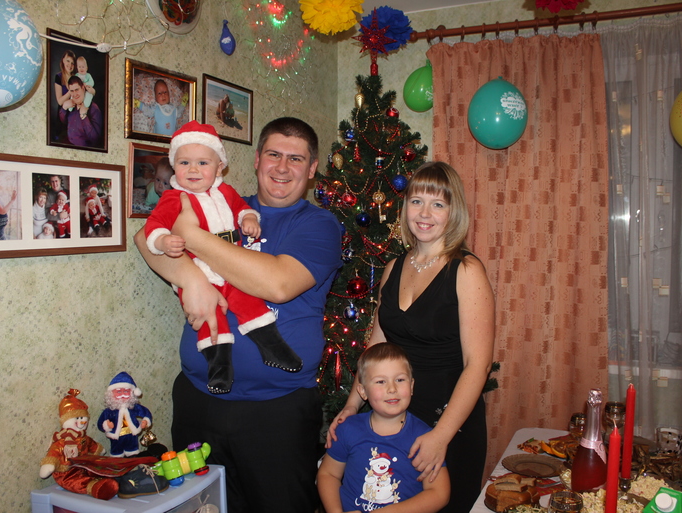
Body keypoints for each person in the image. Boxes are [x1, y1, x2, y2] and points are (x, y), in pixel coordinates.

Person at [133, 117, 342, 513]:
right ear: (257, 159)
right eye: (274, 155)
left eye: (296, 159)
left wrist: (193, 236)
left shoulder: (319, 225)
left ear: (312, 169)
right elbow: (145, 239)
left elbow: (277, 284)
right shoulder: (220, 202)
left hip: (276, 409)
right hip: (198, 401)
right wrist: (192, 279)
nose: (282, 168)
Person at [328, 162, 496, 513]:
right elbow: (376, 349)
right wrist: (352, 405)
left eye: (438, 204)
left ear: (454, 212)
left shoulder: (466, 270)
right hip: (394, 418)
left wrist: (440, 436)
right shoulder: (394, 267)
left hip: (448, 423)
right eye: (417, 201)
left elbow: (477, 366)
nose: (425, 213)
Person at [143, 120, 304, 394]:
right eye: (184, 163)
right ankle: (219, 369)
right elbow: (153, 226)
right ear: (174, 166)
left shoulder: (225, 192)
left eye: (203, 163)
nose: (193, 169)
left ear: (219, 168)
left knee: (251, 303)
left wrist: (249, 218)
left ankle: (273, 348)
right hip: (199, 268)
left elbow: (241, 208)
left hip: (231, 267)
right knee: (210, 318)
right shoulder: (173, 198)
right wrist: (162, 241)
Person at [319, 343, 450, 513]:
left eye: (400, 380)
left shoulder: (424, 438)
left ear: (411, 386)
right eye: (380, 381)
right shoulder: (348, 429)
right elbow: (328, 474)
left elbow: (439, 493)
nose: (392, 389)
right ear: (363, 391)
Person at [97, 372, 152, 457]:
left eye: (126, 391)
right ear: (111, 394)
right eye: (118, 391)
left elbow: (146, 413)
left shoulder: (133, 407)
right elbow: (100, 424)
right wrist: (107, 425)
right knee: (117, 456)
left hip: (131, 436)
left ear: (132, 393)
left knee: (133, 455)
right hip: (116, 438)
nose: (122, 394)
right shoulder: (109, 411)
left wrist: (146, 421)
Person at [59, 75, 103, 148]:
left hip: (83, 150)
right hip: (68, 146)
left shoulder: (94, 108)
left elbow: (95, 139)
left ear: (83, 88)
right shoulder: (70, 105)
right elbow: (63, 121)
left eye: (77, 90)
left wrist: (84, 117)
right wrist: (64, 108)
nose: (75, 94)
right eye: (72, 91)